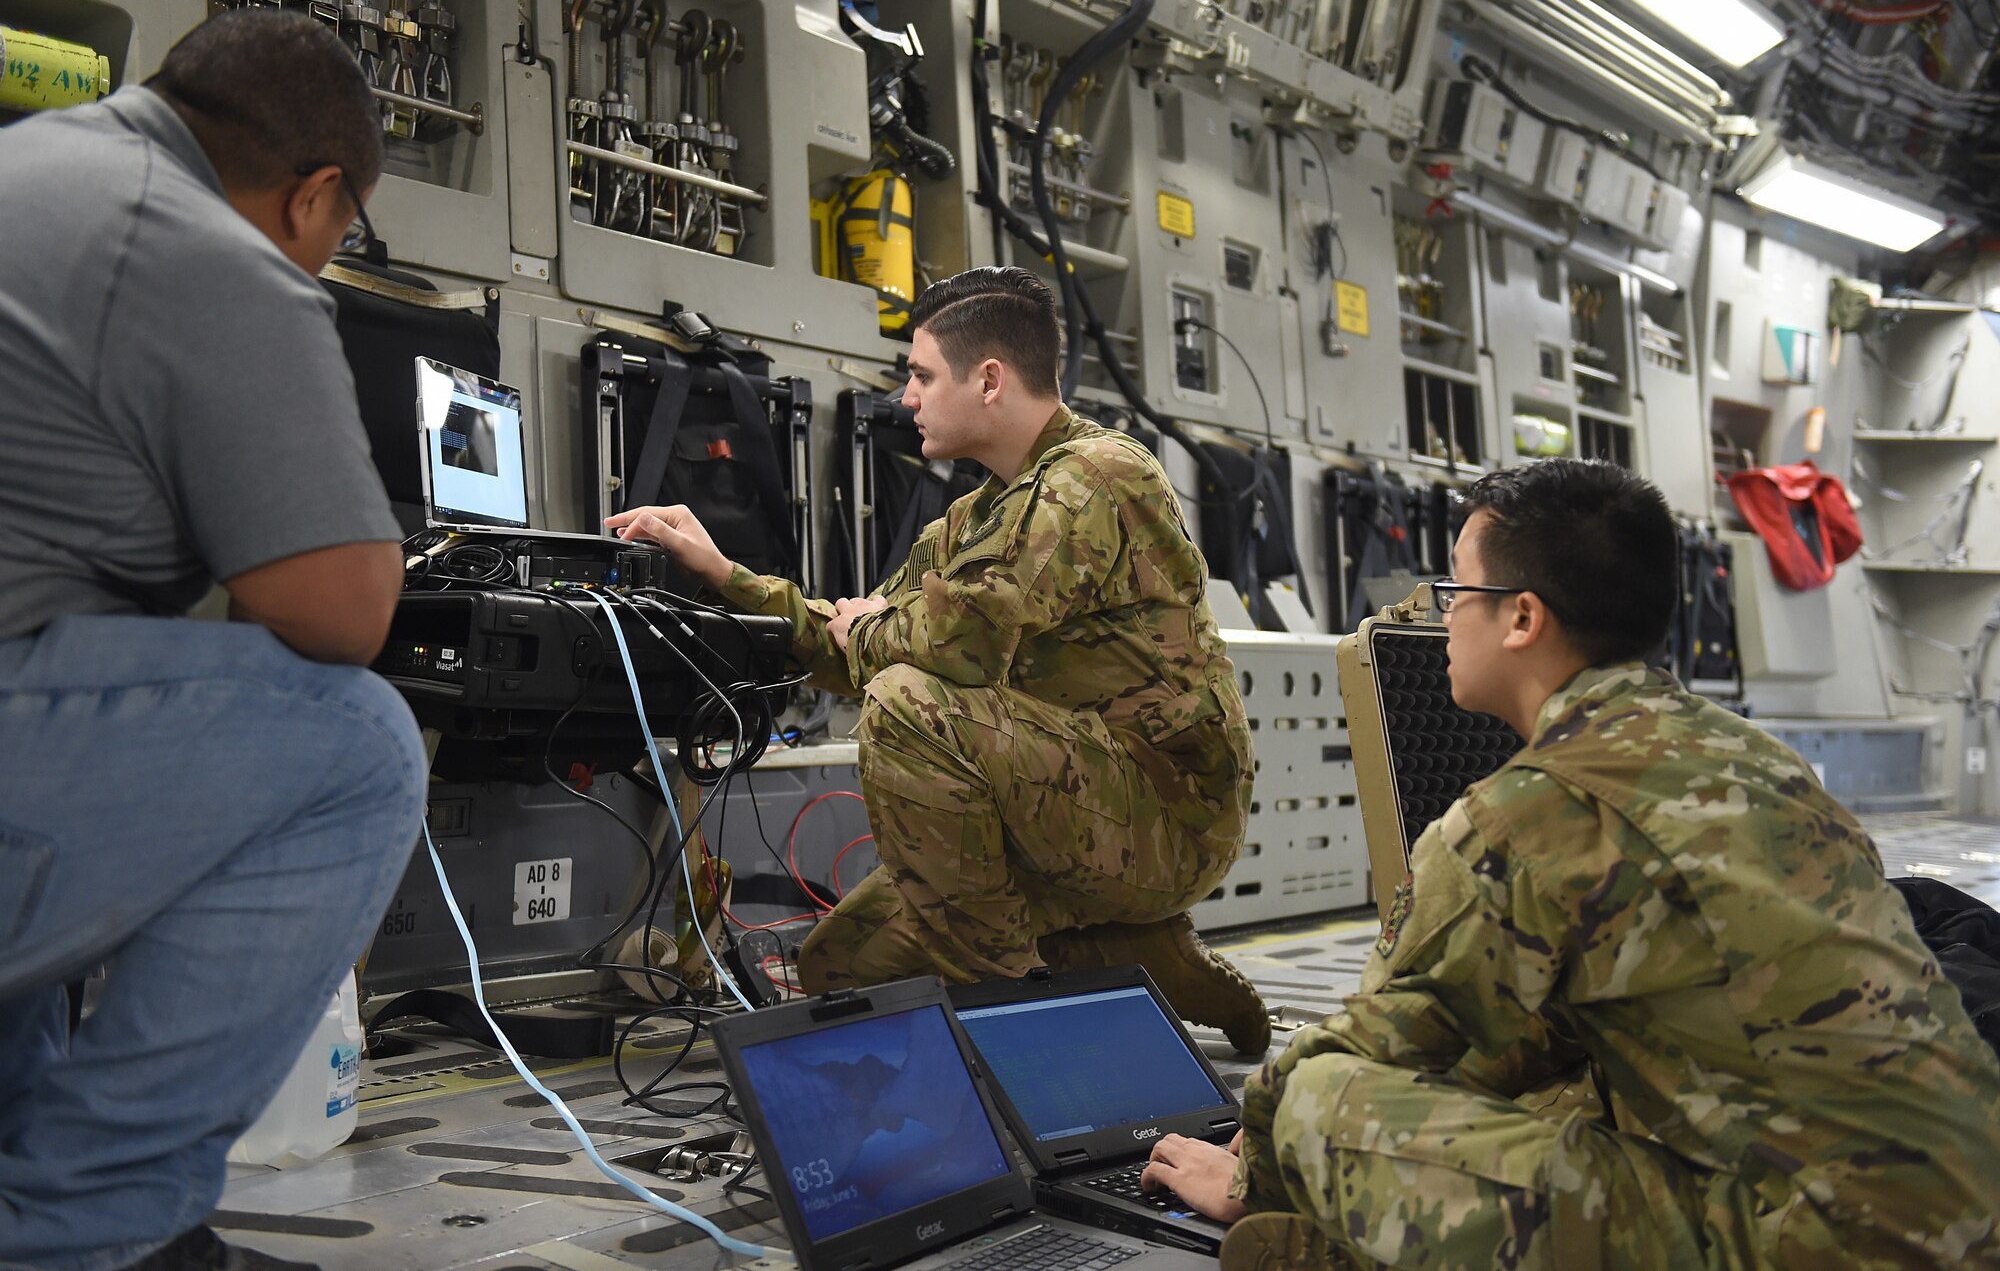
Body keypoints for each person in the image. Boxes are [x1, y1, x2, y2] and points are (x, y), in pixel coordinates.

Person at [1140, 459, 2000, 1269]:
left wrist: (1254, 1170)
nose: (1444, 618)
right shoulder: (1759, 760)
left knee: (1319, 1097)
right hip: (1959, 1203)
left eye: (1457, 591)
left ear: (1522, 616)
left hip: (1819, 1240)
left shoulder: (1528, 814)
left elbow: (1376, 1056)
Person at [0, 14, 426, 1271]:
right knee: (354, 746)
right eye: (343, 235)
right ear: (315, 196)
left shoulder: (39, 165)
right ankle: (94, 1238)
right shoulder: (197, 243)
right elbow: (344, 610)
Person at [609, 266, 1270, 1054]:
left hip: (1166, 815)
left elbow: (956, 640)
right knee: (841, 969)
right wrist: (721, 573)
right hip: (1061, 804)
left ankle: (1024, 1017)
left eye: (921, 375)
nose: (906, 397)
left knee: (903, 703)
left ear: (989, 379)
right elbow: (852, 641)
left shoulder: (1097, 475)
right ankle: (1133, 952)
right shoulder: (976, 516)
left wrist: (879, 630)